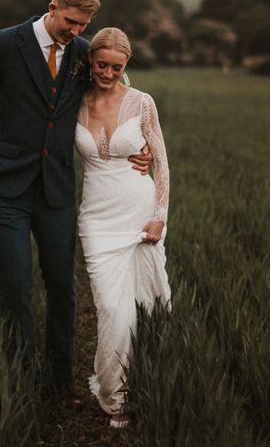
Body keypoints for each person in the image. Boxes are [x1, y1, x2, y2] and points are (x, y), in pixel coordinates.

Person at [0, 0, 152, 409]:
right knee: (15, 283)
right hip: (4, 187)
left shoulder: (84, 54)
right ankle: (24, 378)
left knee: (62, 284)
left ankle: (61, 380)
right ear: (52, 7)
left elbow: (114, 95)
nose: (77, 32)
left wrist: (141, 149)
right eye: (71, 21)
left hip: (57, 190)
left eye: (84, 25)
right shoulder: (4, 44)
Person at [75, 27, 171, 428]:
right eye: (101, 65)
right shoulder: (72, 103)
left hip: (140, 211)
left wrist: (160, 216)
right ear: (90, 61)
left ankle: (152, 382)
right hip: (96, 219)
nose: (108, 73)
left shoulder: (142, 103)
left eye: (117, 67)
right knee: (112, 309)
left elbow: (162, 163)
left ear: (125, 65)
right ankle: (114, 398)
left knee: (150, 302)